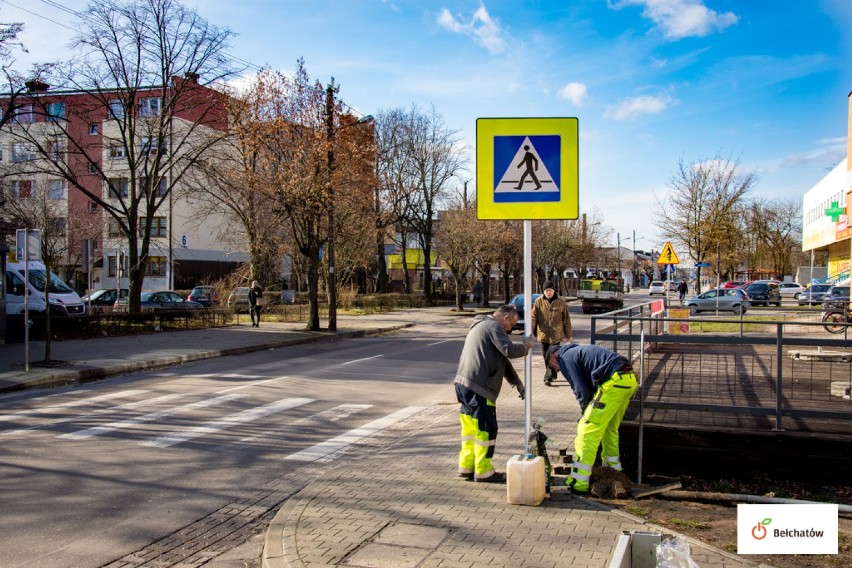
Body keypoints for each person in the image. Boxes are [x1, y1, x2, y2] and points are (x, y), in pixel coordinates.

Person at [454, 304, 533, 483]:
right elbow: (510, 351)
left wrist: (517, 383)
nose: (510, 328)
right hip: (479, 388)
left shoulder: (482, 325)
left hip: (464, 384)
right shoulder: (494, 327)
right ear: (505, 318)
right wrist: (527, 345)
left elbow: (502, 360)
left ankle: (466, 467)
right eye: (511, 324)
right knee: (486, 430)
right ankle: (483, 471)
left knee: (470, 430)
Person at [545, 343, 638, 494]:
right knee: (609, 429)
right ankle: (614, 472)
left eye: (553, 367)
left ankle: (579, 482)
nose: (557, 370)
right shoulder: (577, 352)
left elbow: (580, 390)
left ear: (552, 357)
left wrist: (586, 413)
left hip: (613, 382)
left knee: (587, 429)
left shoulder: (565, 357)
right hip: (628, 379)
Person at [530, 280, 572, 387]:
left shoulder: (561, 302)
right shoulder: (538, 302)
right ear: (543, 291)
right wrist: (530, 328)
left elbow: (566, 320)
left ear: (554, 291)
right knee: (546, 356)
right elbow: (533, 317)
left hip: (556, 335)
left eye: (550, 290)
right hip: (544, 334)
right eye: (546, 291)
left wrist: (568, 336)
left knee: (552, 355)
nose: (549, 292)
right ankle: (552, 374)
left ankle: (548, 377)